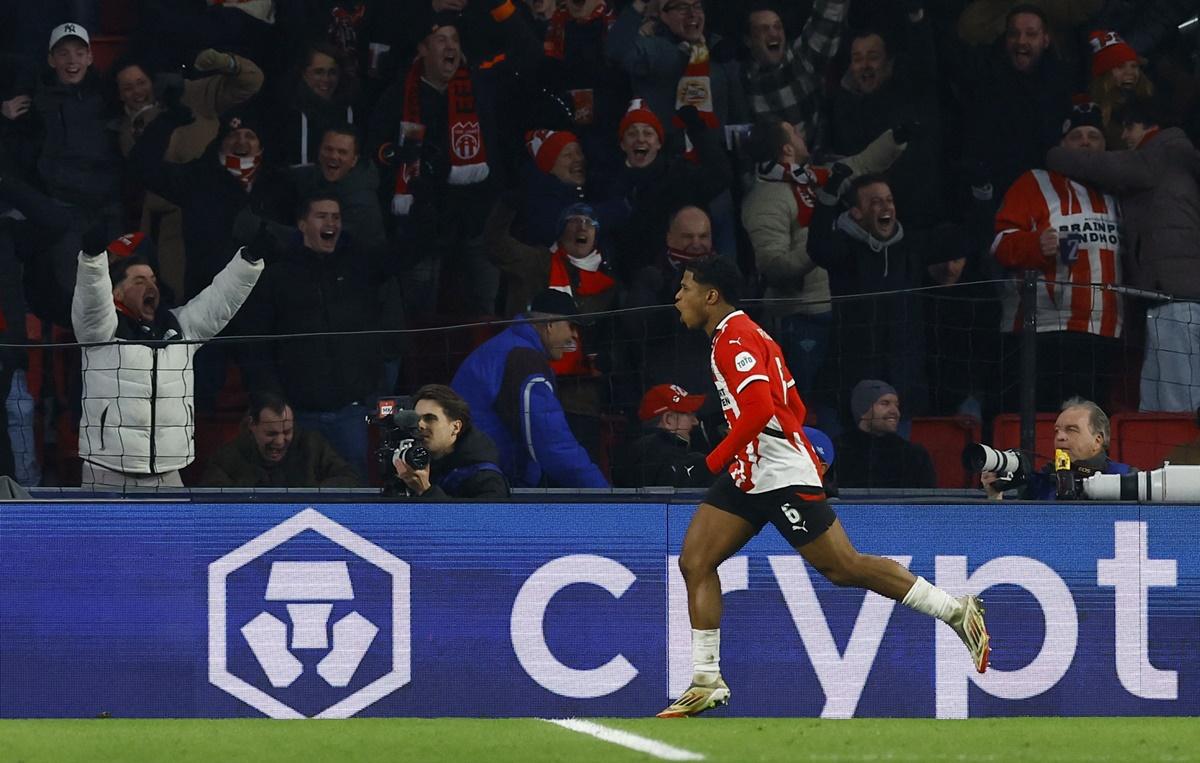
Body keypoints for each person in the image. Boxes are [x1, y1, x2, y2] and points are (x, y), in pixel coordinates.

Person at [660, 255, 988, 718]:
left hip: (776, 476)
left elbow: (757, 411)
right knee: (695, 561)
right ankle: (706, 679)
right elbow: (790, 401)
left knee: (843, 567)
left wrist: (712, 461)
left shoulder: (736, 337)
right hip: (752, 473)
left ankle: (956, 611)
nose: (678, 296)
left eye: (685, 287)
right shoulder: (740, 335)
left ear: (710, 295)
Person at [72, 233, 264, 490]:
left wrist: (248, 262)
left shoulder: (181, 328)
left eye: (153, 279)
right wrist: (93, 261)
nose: (150, 287)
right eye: (139, 281)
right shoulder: (101, 331)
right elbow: (92, 303)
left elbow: (218, 301)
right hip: (107, 475)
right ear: (116, 291)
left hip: (168, 475)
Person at [1045, 98, 1200, 413]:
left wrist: (1054, 153)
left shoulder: (1158, 154)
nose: (1125, 140)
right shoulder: (1178, 154)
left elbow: (1097, 165)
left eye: (1126, 130)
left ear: (1138, 126)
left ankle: (1187, 459)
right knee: (1156, 399)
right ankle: (1162, 459)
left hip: (1175, 295)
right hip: (1169, 294)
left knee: (1178, 398)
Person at [741, 118, 904, 399]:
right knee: (805, 402)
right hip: (801, 318)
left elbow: (862, 165)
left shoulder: (815, 179)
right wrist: (820, 248)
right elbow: (773, 267)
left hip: (836, 310)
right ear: (787, 150)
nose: (801, 134)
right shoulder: (766, 200)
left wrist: (897, 136)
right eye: (793, 132)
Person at [243, 194, 401, 480]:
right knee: (300, 489)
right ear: (302, 224)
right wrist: (274, 400)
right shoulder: (278, 277)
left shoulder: (357, 268)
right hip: (299, 413)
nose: (331, 223)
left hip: (349, 412)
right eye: (322, 216)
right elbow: (258, 346)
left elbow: (405, 254)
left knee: (354, 488)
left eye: (336, 217)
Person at [992, 98, 1124, 412]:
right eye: (1076, 137)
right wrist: (1036, 246)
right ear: (1061, 144)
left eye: (1094, 136)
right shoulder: (1034, 182)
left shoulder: (1119, 189)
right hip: (1043, 332)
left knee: (1091, 431)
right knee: (1045, 427)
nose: (1086, 144)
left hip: (1104, 332)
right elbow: (1000, 243)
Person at [451, 289, 608, 488]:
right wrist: (603, 494)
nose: (575, 336)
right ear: (550, 325)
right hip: (486, 485)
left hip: (471, 474)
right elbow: (553, 445)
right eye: (572, 326)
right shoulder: (524, 360)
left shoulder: (508, 346)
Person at [201, 390, 360, 488]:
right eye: (271, 433)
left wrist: (313, 495)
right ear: (252, 425)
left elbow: (349, 478)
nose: (280, 441)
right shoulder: (227, 458)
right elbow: (212, 496)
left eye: (287, 432)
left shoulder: (313, 445)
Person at [982, 397, 1133, 500]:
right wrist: (995, 496)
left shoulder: (1127, 477)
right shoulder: (1040, 482)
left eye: (1071, 429)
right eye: (1057, 431)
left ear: (1097, 440)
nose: (1060, 437)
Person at [740, 0, 848, 139]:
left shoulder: (801, 59)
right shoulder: (739, 80)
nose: (774, 33)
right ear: (748, 40)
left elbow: (827, 21)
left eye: (778, 27)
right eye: (764, 29)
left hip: (817, 157)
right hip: (769, 159)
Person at [387, 384, 511, 500]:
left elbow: (483, 523)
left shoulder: (487, 479)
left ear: (455, 427)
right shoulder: (417, 467)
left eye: (429, 418)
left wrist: (425, 490)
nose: (420, 425)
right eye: (416, 418)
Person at [835, 379, 936, 490]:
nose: (895, 411)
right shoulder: (837, 450)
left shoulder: (914, 455)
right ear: (863, 411)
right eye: (885, 403)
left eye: (897, 405)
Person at [611, 383, 712, 488]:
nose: (695, 422)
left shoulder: (627, 454)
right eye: (689, 415)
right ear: (668, 420)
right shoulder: (671, 459)